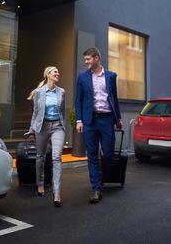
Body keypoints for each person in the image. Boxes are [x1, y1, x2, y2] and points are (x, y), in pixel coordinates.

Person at [75, 47, 122, 204]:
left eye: (88, 59)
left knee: (108, 153)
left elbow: (114, 98)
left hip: (107, 119)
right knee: (92, 155)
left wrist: (118, 119)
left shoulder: (110, 76)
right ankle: (96, 188)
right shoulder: (82, 77)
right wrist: (79, 120)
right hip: (90, 121)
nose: (86, 62)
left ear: (96, 58)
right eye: (85, 59)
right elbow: (78, 100)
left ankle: (100, 179)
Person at [26, 66, 65, 207]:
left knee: (56, 157)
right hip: (42, 127)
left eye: (58, 72)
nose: (57, 73)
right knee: (40, 157)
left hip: (57, 127)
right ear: (47, 75)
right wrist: (31, 129)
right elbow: (35, 113)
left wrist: (62, 125)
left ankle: (57, 192)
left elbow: (62, 112)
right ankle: (40, 184)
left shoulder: (61, 92)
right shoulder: (38, 92)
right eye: (55, 71)